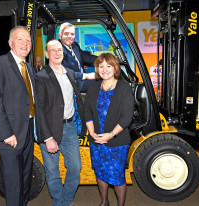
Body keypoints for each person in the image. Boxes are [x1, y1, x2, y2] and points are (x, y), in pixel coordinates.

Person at [0, 26, 39, 206]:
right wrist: (6, 133)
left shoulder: (29, 69)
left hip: (28, 132)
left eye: (28, 40)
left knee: (25, 179)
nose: (25, 43)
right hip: (10, 135)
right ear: (10, 43)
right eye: (20, 39)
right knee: (13, 183)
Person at [35, 39, 86, 206]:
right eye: (53, 50)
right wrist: (48, 137)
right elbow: (39, 110)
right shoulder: (41, 76)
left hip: (70, 128)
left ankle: (67, 199)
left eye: (59, 50)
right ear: (47, 54)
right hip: (50, 130)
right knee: (52, 172)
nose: (57, 53)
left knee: (75, 168)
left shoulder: (70, 73)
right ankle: (59, 202)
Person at [84, 53, 134, 206]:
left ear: (115, 68)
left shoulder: (124, 88)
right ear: (97, 69)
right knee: (100, 172)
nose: (105, 69)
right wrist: (92, 132)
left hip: (117, 142)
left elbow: (127, 117)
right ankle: (104, 201)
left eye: (108, 66)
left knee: (117, 176)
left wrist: (110, 135)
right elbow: (87, 111)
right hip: (97, 140)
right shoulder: (93, 88)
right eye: (101, 66)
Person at [58, 22, 97, 92]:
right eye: (66, 34)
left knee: (104, 74)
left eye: (72, 34)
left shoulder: (75, 45)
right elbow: (62, 72)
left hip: (81, 76)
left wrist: (104, 59)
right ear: (60, 36)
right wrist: (85, 76)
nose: (69, 36)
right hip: (73, 83)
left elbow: (87, 57)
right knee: (101, 83)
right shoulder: (57, 49)